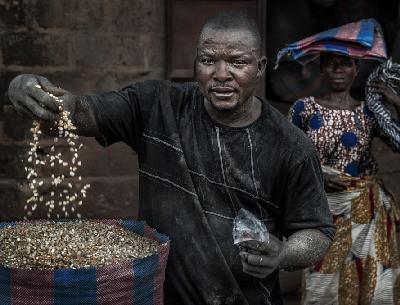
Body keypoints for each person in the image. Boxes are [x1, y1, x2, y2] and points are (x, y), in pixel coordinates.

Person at [7, 12, 335, 305]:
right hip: (159, 295)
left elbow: (317, 233)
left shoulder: (290, 146)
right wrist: (29, 90)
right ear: (195, 62)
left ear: (260, 67)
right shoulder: (157, 106)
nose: (221, 74)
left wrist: (282, 254)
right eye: (208, 61)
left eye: (237, 63)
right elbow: (77, 113)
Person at [283, 22, 400, 304]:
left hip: (365, 208)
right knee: (322, 274)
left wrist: (398, 106)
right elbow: (286, 155)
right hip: (321, 206)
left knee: (368, 270)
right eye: (331, 64)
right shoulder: (304, 109)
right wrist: (317, 176)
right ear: (322, 69)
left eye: (346, 64)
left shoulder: (370, 112)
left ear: (356, 69)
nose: (338, 70)